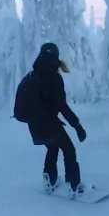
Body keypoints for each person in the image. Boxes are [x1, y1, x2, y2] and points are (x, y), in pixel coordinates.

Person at [24, 43, 87, 194]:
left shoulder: (33, 75)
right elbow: (62, 107)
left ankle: (48, 180)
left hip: (34, 126)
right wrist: (77, 126)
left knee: (52, 147)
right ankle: (74, 185)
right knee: (69, 150)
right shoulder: (54, 78)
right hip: (49, 124)